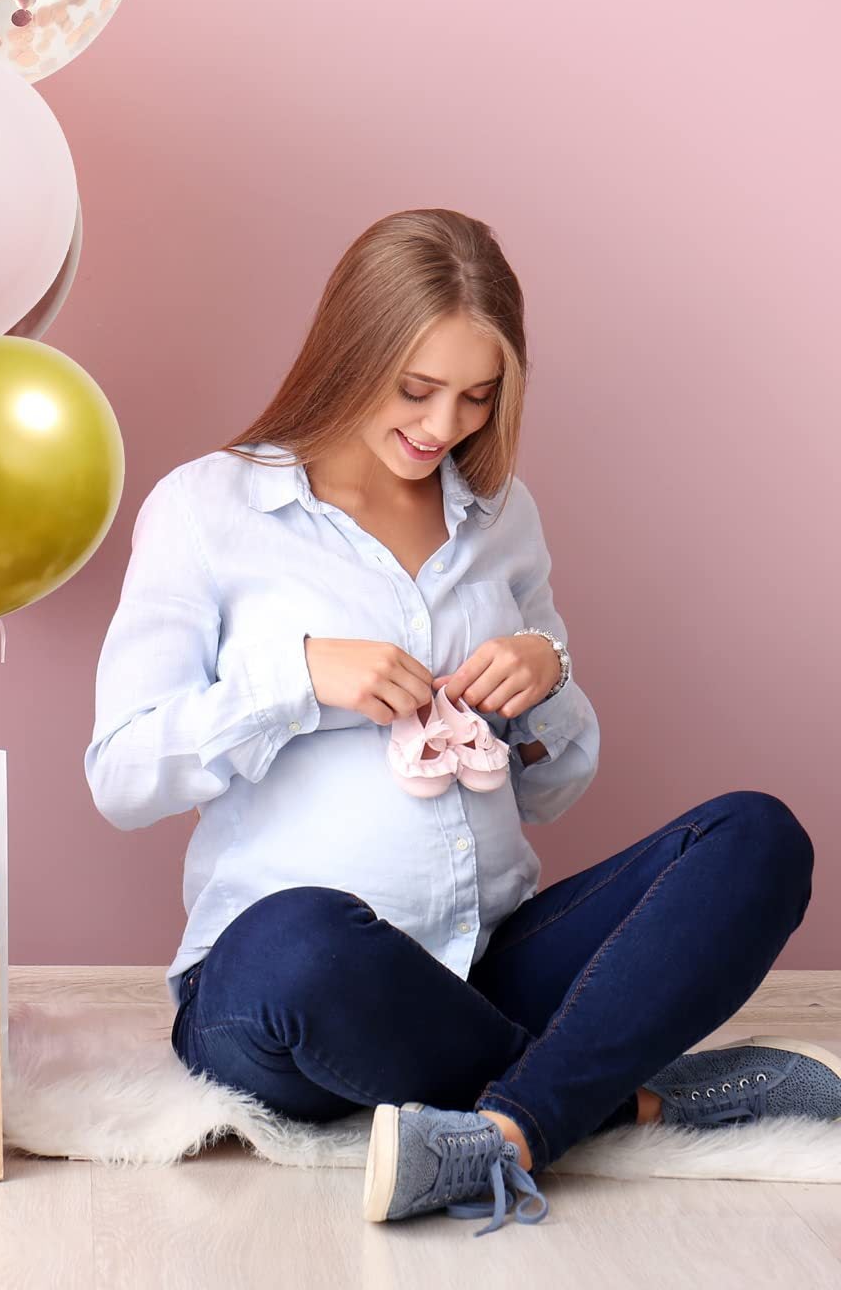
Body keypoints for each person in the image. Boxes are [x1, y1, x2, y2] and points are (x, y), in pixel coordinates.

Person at [83, 208, 829, 1236]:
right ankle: (627, 1101)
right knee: (298, 942)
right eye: (417, 389)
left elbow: (552, 790)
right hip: (281, 993)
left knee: (756, 837)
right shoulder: (207, 509)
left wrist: (547, 676)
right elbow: (121, 774)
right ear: (351, 351)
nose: (443, 427)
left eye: (477, 397)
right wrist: (298, 678)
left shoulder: (500, 515)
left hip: (485, 966)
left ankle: (510, 1124)